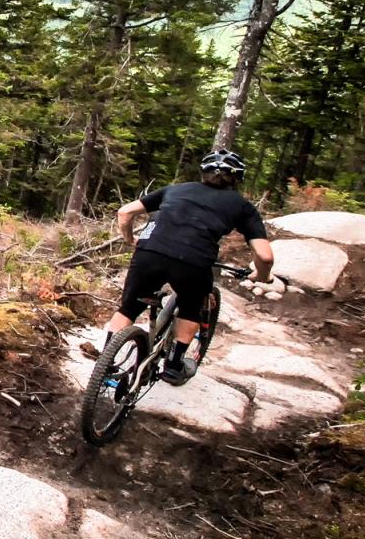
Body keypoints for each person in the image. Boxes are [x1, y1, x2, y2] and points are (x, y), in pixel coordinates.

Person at [83, 151, 275, 384]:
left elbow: (125, 212)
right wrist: (262, 276)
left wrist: (129, 239)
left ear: (203, 173)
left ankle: (107, 364)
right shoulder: (242, 206)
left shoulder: (177, 189)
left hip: (149, 252)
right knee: (190, 309)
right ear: (237, 179)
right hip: (193, 261)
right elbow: (264, 257)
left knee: (128, 309)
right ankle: (174, 366)